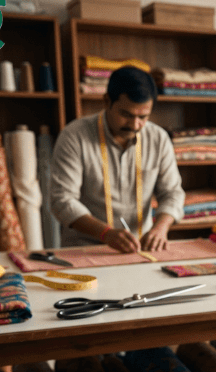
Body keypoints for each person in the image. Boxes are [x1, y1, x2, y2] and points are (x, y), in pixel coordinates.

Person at [51, 66, 185, 252]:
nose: (135, 125)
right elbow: (62, 200)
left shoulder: (158, 138)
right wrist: (106, 233)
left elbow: (172, 193)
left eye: (143, 117)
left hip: (141, 248)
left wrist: (160, 229)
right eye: (126, 115)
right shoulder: (74, 136)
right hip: (86, 247)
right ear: (107, 101)